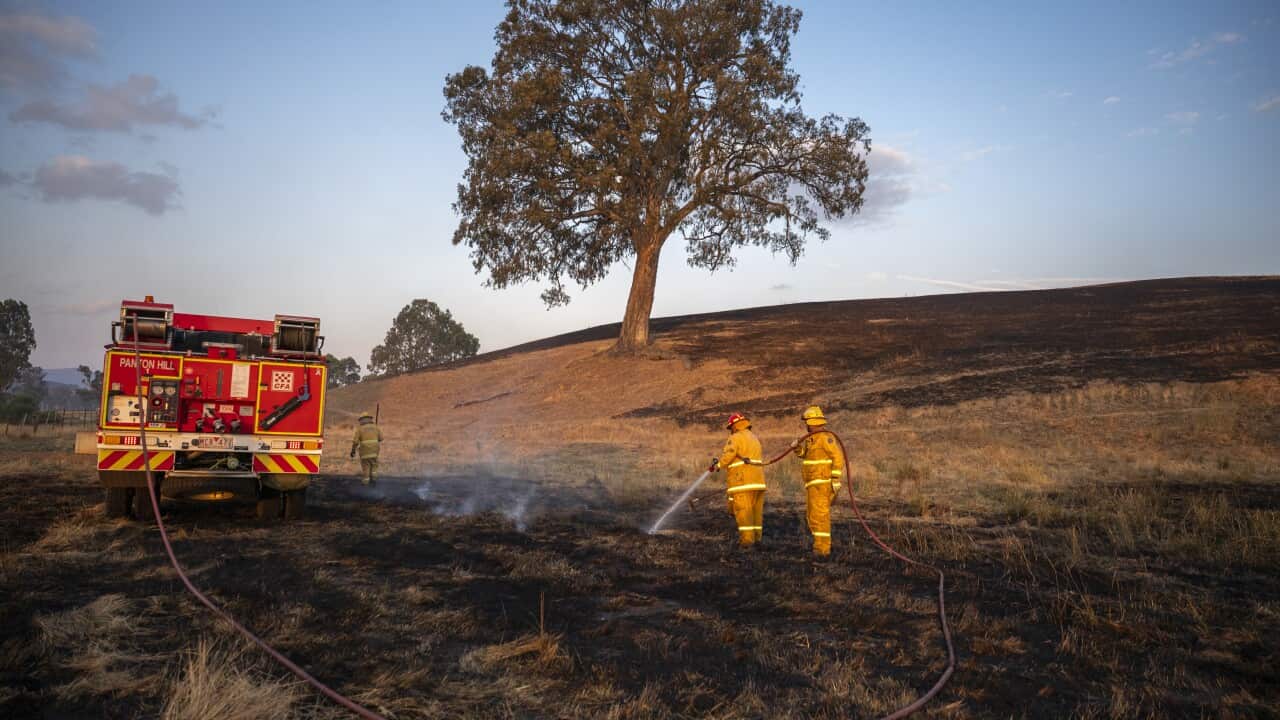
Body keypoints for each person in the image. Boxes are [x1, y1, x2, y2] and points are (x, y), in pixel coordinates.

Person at [790, 405, 845, 557]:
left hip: (821, 482)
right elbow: (804, 455)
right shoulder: (811, 439)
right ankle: (819, 546)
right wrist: (796, 448)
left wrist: (834, 479)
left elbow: (838, 458)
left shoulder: (826, 438)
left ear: (813, 422)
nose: (806, 425)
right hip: (812, 483)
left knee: (820, 515)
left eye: (807, 422)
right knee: (813, 516)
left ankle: (823, 549)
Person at [712, 412, 766, 548]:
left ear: (734, 426)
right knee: (755, 514)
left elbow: (729, 454)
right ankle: (757, 540)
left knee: (744, 513)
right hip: (758, 482)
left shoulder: (735, 438)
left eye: (731, 428)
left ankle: (747, 543)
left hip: (742, 482)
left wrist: (718, 465)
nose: (731, 431)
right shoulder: (754, 438)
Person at [350, 410, 382, 485]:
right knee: (374, 466)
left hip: (364, 452)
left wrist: (353, 451)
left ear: (361, 420)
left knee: (366, 467)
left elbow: (355, 442)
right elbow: (381, 439)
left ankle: (365, 483)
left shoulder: (360, 429)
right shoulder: (376, 427)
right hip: (375, 451)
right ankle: (374, 480)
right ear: (370, 419)